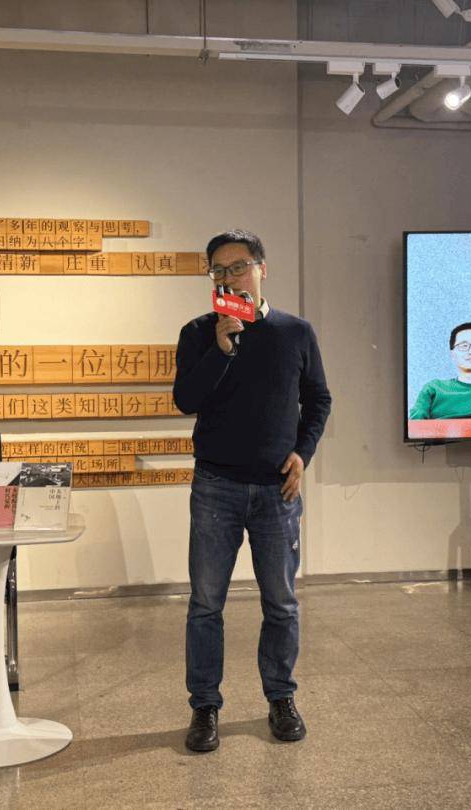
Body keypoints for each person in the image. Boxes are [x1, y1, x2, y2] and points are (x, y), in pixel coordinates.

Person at [172, 229, 331, 753]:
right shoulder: (199, 332)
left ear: (262, 268)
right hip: (215, 487)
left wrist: (302, 453)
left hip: (276, 490)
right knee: (205, 604)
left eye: (238, 266)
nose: (229, 277)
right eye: (218, 270)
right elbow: (186, 400)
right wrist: (221, 349)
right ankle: (204, 707)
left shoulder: (295, 332)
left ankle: (281, 698)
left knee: (281, 603)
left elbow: (319, 399)